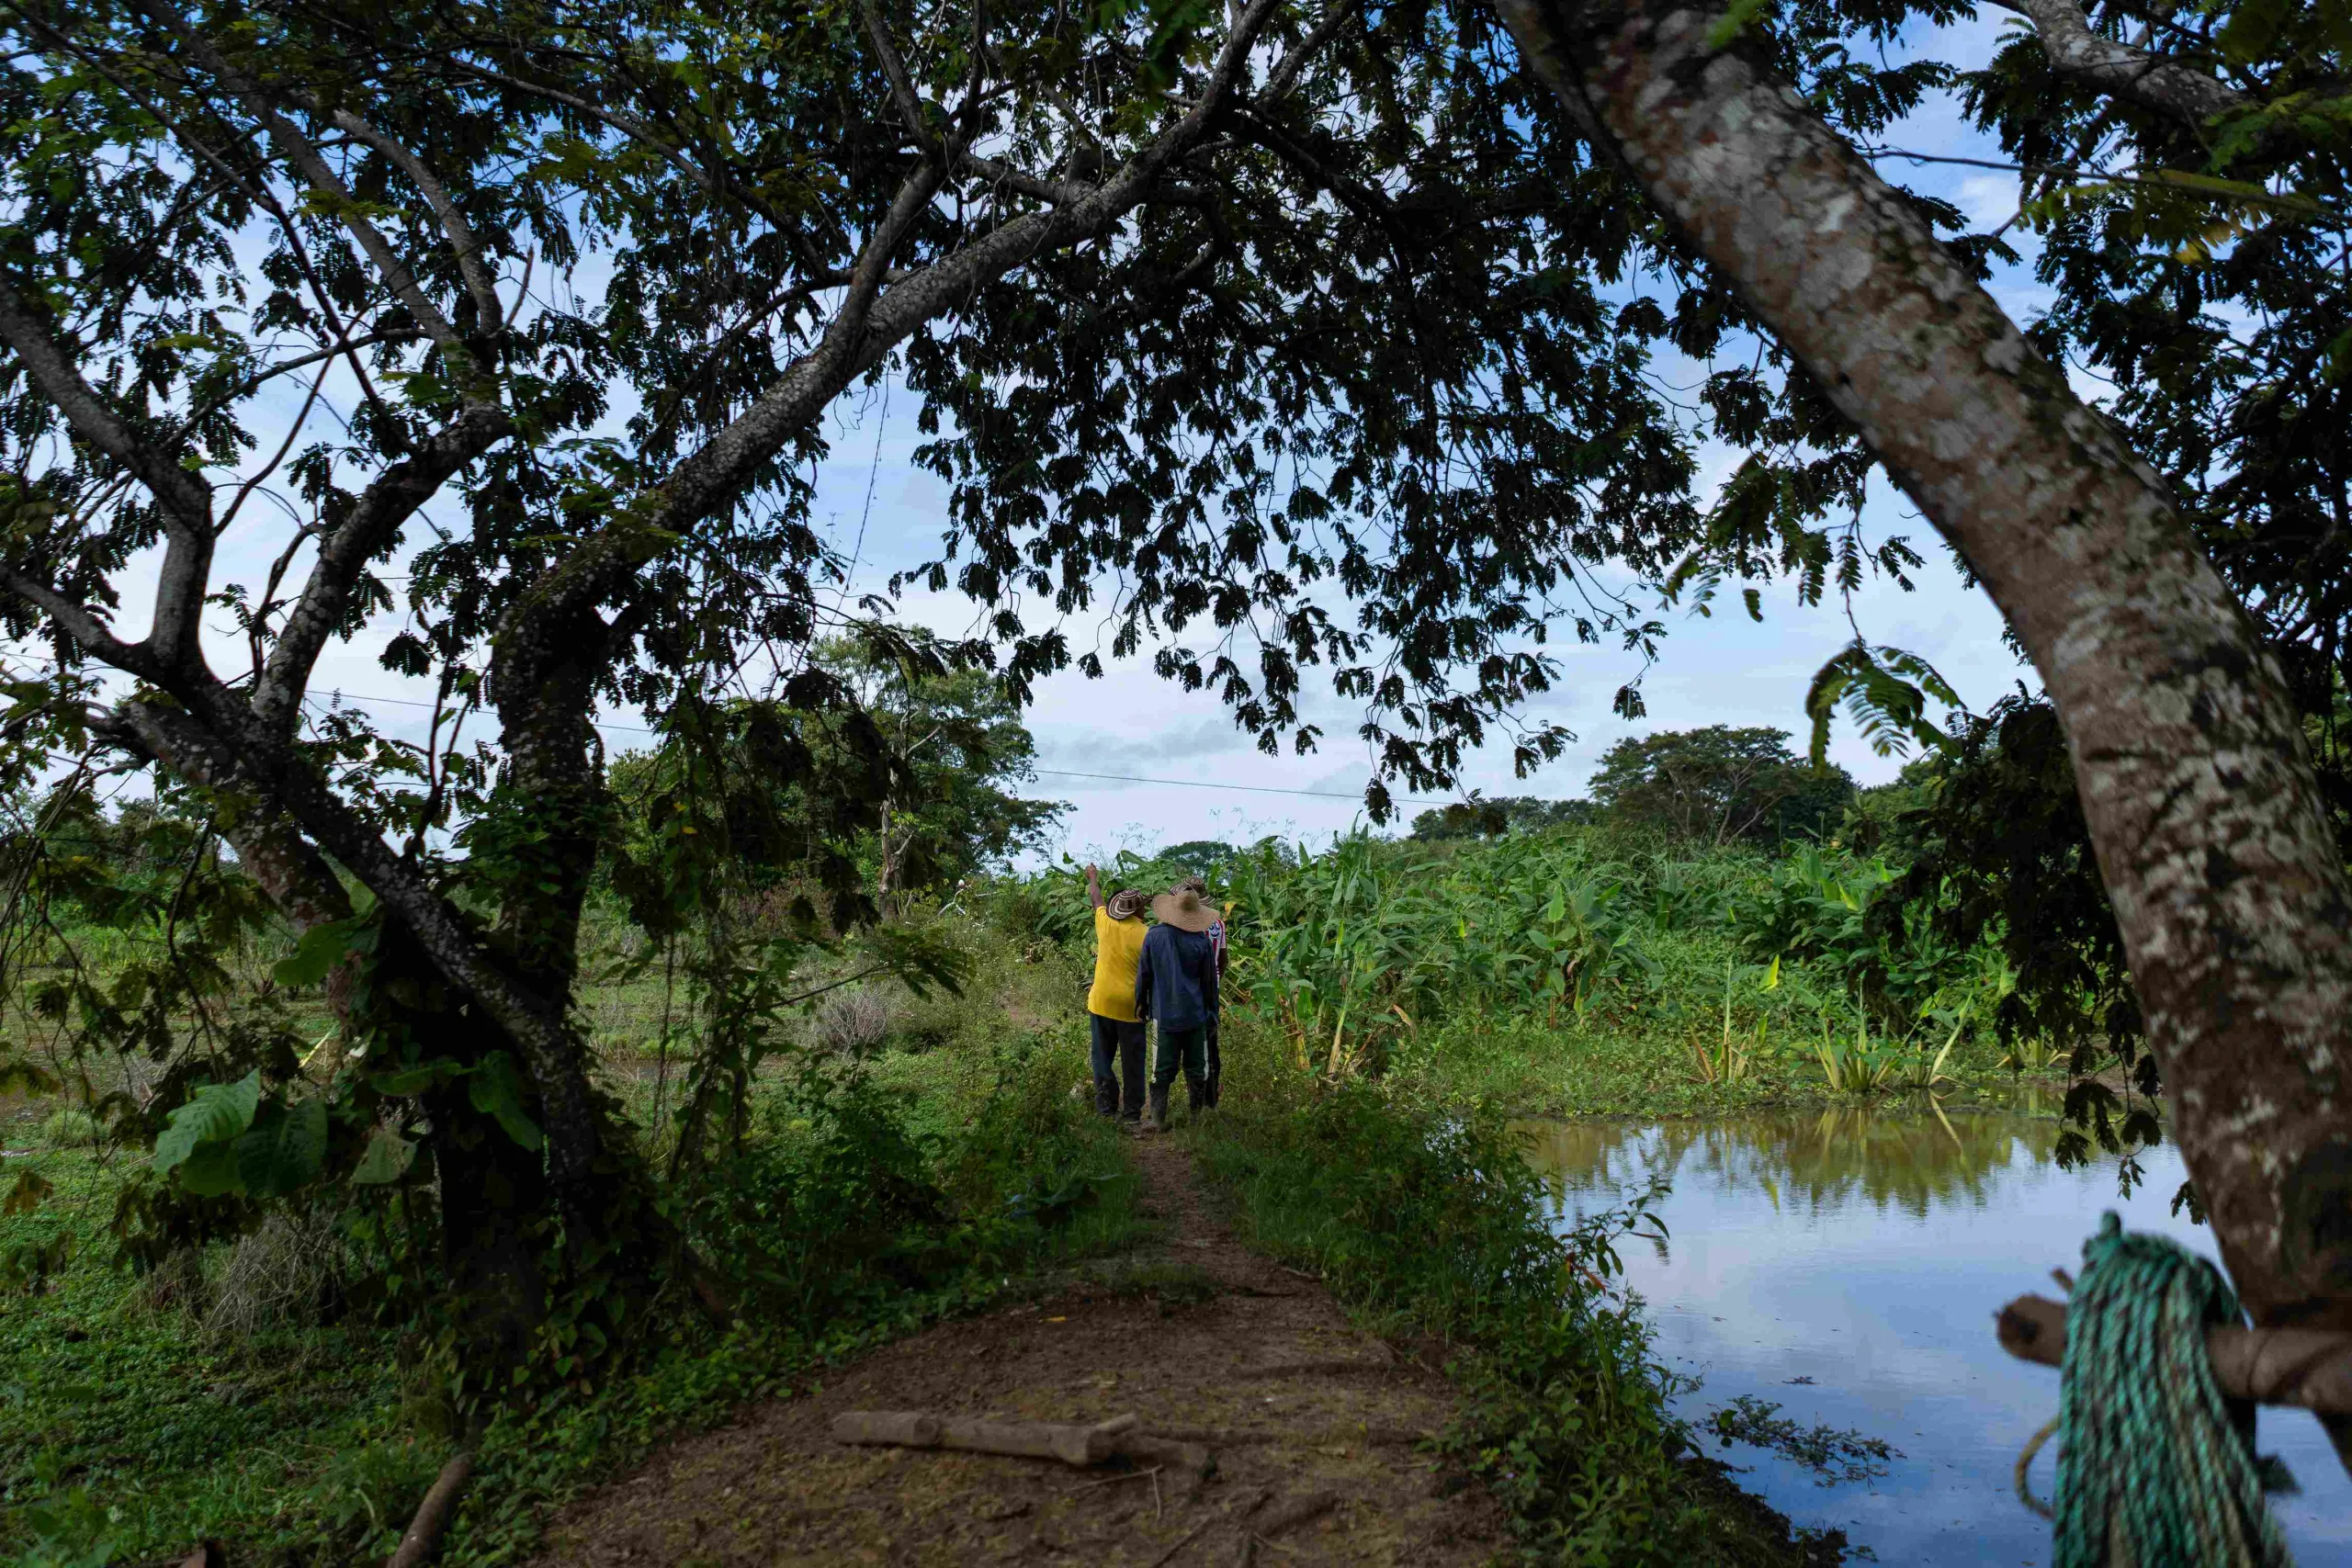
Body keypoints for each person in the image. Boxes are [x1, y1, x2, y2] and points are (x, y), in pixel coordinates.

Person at [1132, 886, 1220, 1132]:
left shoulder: (1153, 935)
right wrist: (1213, 1014)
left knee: (1161, 1069)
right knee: (1197, 1069)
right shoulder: (1201, 941)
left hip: (1164, 1014)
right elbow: (1210, 983)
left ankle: (1158, 1119)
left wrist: (1140, 1002)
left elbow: (1144, 974)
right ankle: (1195, 1120)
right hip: (1195, 1015)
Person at [1083, 863, 1148, 1122]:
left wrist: (1093, 876)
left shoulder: (1105, 923)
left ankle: (1106, 1107)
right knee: (1132, 1063)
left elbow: (1096, 898)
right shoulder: (1146, 934)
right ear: (1139, 909)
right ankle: (1132, 1113)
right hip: (1131, 1008)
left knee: (1101, 1058)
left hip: (1101, 1003)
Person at [1170, 875, 1225, 1109]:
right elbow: (1223, 960)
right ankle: (1210, 1098)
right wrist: (1216, 980)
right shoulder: (1218, 924)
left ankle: (1196, 1098)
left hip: (1187, 994)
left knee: (1189, 1046)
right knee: (1210, 1045)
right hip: (1211, 993)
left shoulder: (1184, 926)